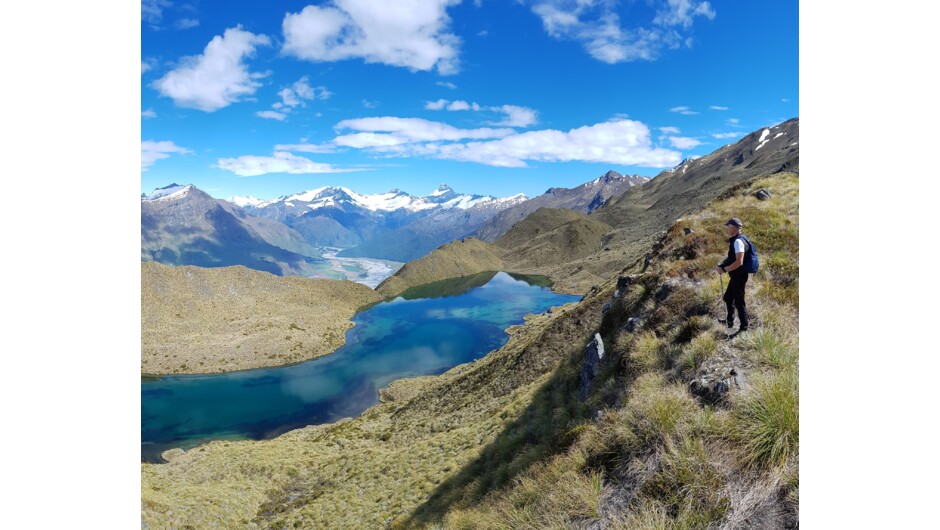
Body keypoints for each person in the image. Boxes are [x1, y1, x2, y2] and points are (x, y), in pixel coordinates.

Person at [715, 218, 750, 333]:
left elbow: (738, 262)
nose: (727, 228)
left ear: (734, 228)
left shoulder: (738, 242)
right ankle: (729, 320)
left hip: (739, 276)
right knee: (728, 298)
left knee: (740, 302)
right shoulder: (739, 239)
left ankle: (744, 328)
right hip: (737, 275)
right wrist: (723, 265)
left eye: (728, 226)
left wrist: (724, 269)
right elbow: (732, 258)